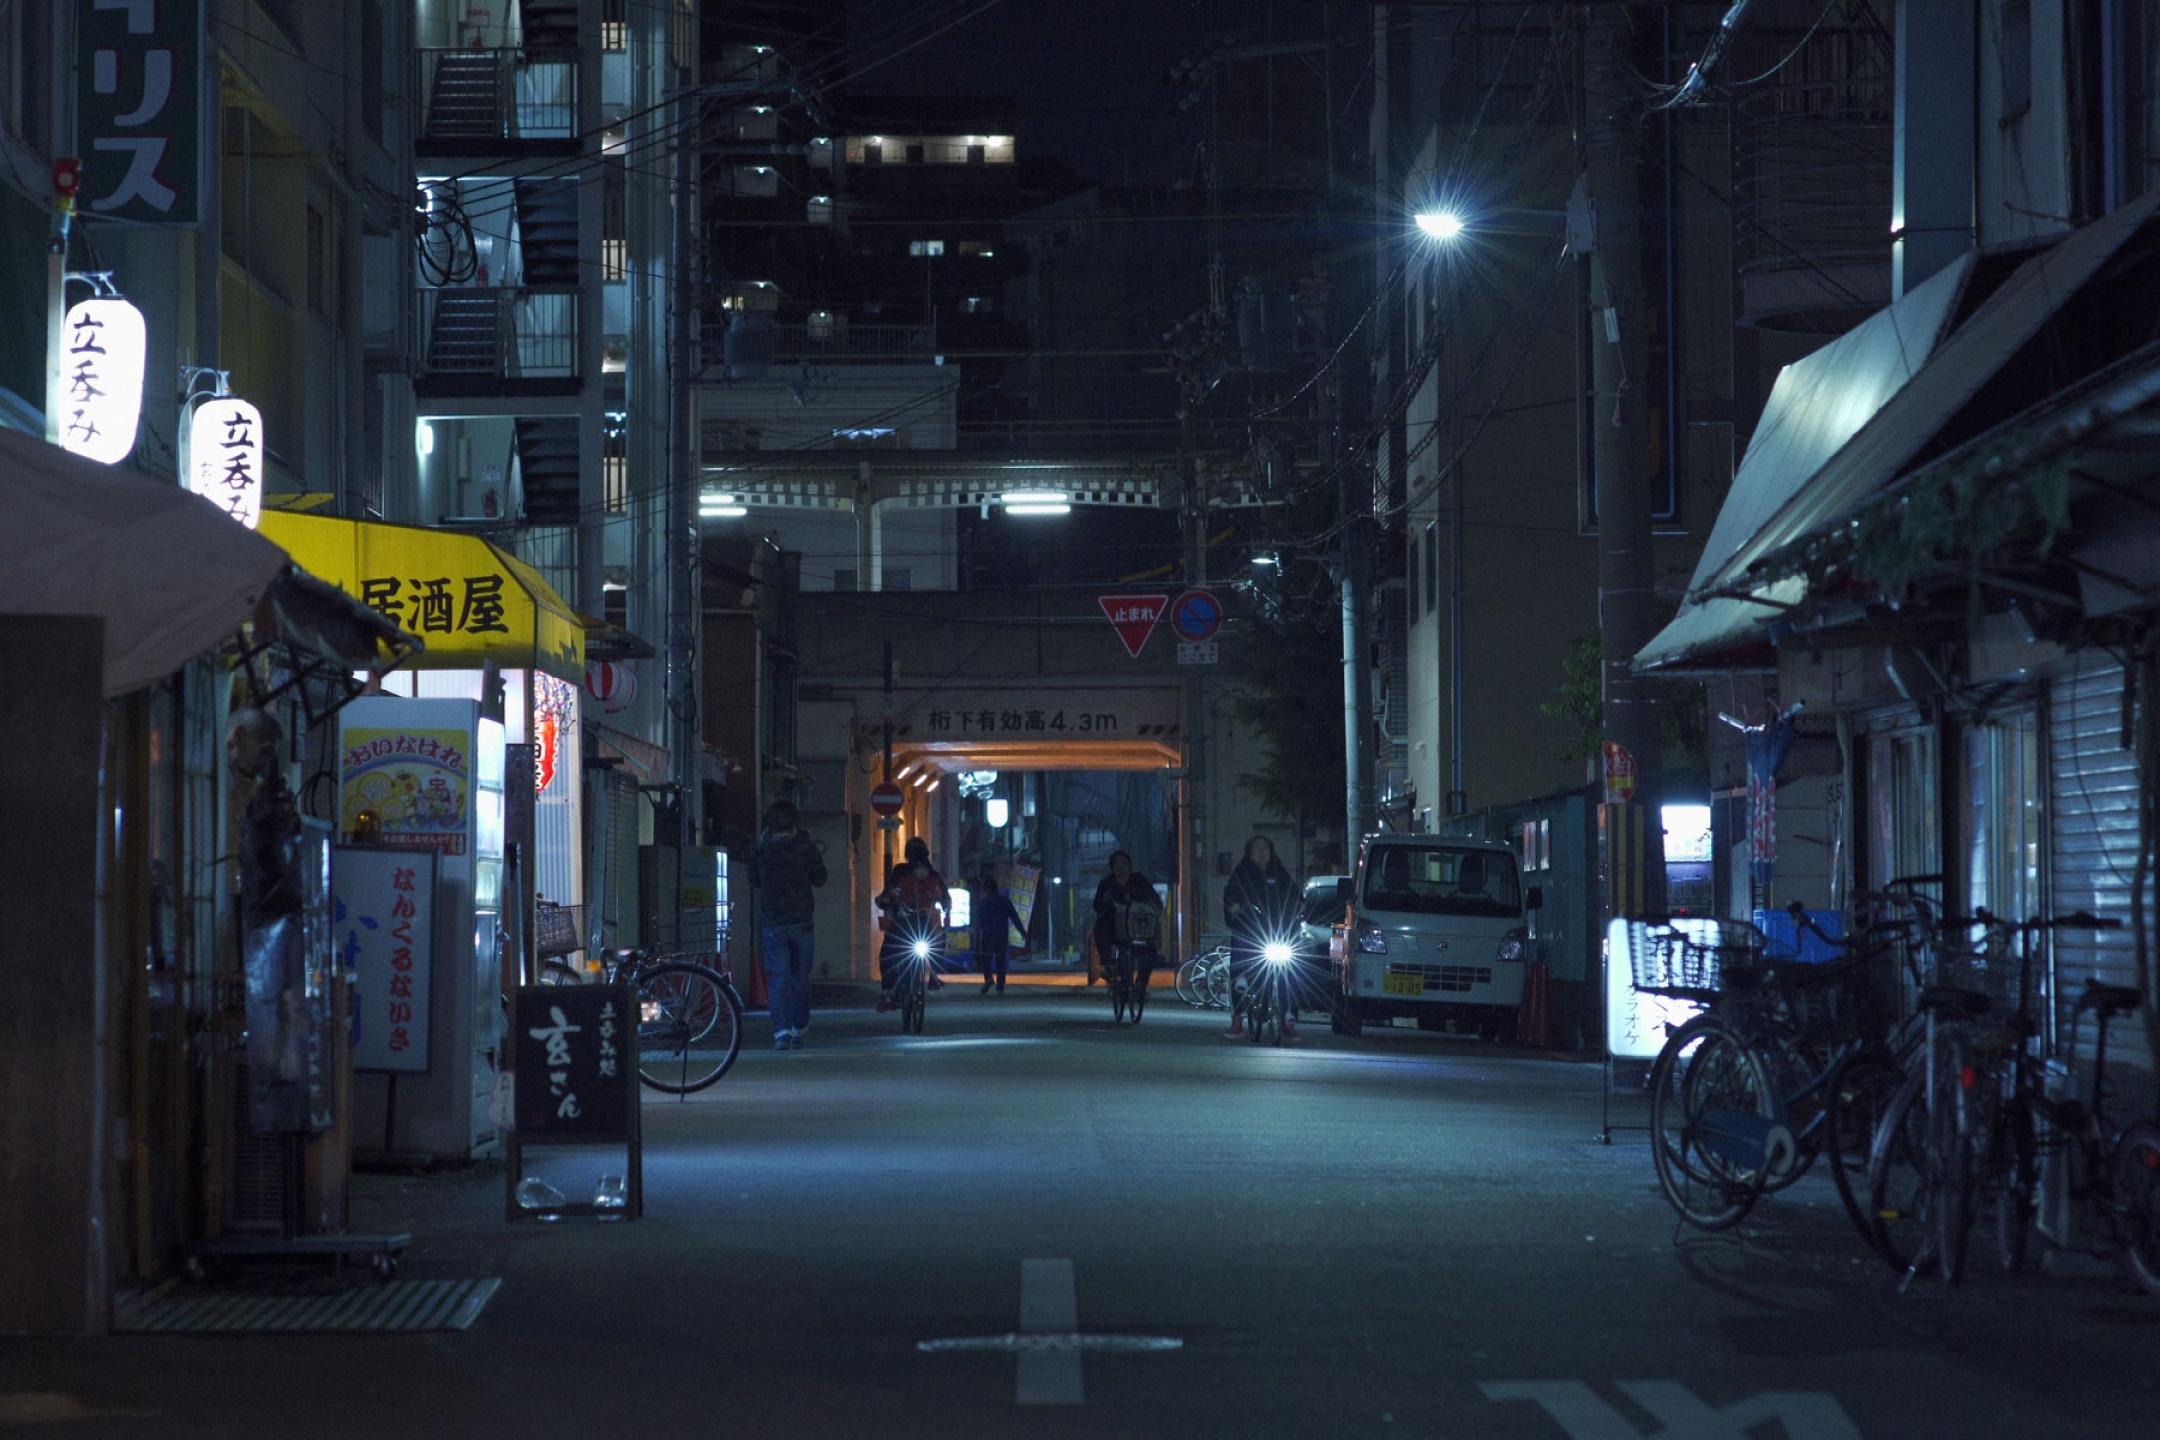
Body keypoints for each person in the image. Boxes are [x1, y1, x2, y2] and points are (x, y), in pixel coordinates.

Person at [750, 799, 827, 1051]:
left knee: (778, 978)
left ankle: (781, 1032)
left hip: (773, 922)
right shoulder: (805, 847)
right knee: (800, 978)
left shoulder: (762, 849)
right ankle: (798, 1028)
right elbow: (820, 878)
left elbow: (753, 879)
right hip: (801, 921)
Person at [1222, 835, 1300, 1038]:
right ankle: (1237, 1018)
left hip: (1276, 931)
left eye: (1265, 848)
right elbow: (1230, 894)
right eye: (1257, 848)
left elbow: (1294, 894)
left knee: (1290, 971)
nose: (1262, 852)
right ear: (1249, 852)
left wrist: (1299, 909)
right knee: (1240, 967)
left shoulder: (1279, 872)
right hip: (1248, 929)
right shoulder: (1242, 872)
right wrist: (1235, 906)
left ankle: (1288, 1018)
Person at [876, 836, 951, 1013]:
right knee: (890, 954)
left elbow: (945, 897)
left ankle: (892, 992)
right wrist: (886, 902)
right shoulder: (904, 872)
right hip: (907, 923)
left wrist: (945, 907)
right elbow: (888, 894)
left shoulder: (928, 875)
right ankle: (895, 992)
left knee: (889, 954)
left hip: (912, 924)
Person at [1092, 851, 1164, 1016]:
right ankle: (1110, 969)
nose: (1121, 867)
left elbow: (1154, 899)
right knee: (1103, 932)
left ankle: (1141, 984)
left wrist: (1144, 904)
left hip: (1138, 928)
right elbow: (1096, 905)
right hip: (1114, 928)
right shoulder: (1106, 883)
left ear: (1130, 866)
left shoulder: (1139, 880)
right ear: (1112, 867)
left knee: (1149, 951)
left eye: (1124, 863)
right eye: (1117, 864)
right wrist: (1105, 903)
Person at [972, 873, 1024, 995]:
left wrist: (977, 936)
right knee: (1000, 961)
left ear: (987, 889)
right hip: (1002, 934)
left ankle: (989, 978)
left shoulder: (984, 902)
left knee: (986, 959)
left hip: (988, 935)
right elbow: (1015, 918)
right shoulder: (1005, 901)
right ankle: (1000, 988)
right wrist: (1022, 932)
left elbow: (979, 921)